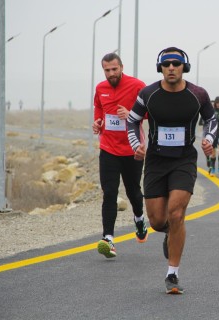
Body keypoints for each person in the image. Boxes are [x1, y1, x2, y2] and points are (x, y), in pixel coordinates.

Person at [127, 47, 217, 294]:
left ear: (184, 67)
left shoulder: (197, 94)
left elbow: (212, 119)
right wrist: (137, 145)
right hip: (156, 160)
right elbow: (133, 119)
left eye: (176, 63)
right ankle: (169, 233)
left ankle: (172, 275)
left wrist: (208, 138)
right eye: (166, 64)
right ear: (160, 68)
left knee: (176, 213)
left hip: (183, 160)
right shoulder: (149, 93)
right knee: (157, 220)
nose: (171, 68)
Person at [92, 53, 147, 259]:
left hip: (132, 150)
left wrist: (132, 114)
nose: (111, 73)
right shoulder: (100, 88)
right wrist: (98, 121)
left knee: (134, 192)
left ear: (121, 67)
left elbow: (151, 112)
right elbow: (99, 107)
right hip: (108, 148)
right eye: (107, 70)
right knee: (110, 193)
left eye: (114, 69)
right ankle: (108, 239)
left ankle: (139, 218)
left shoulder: (137, 86)